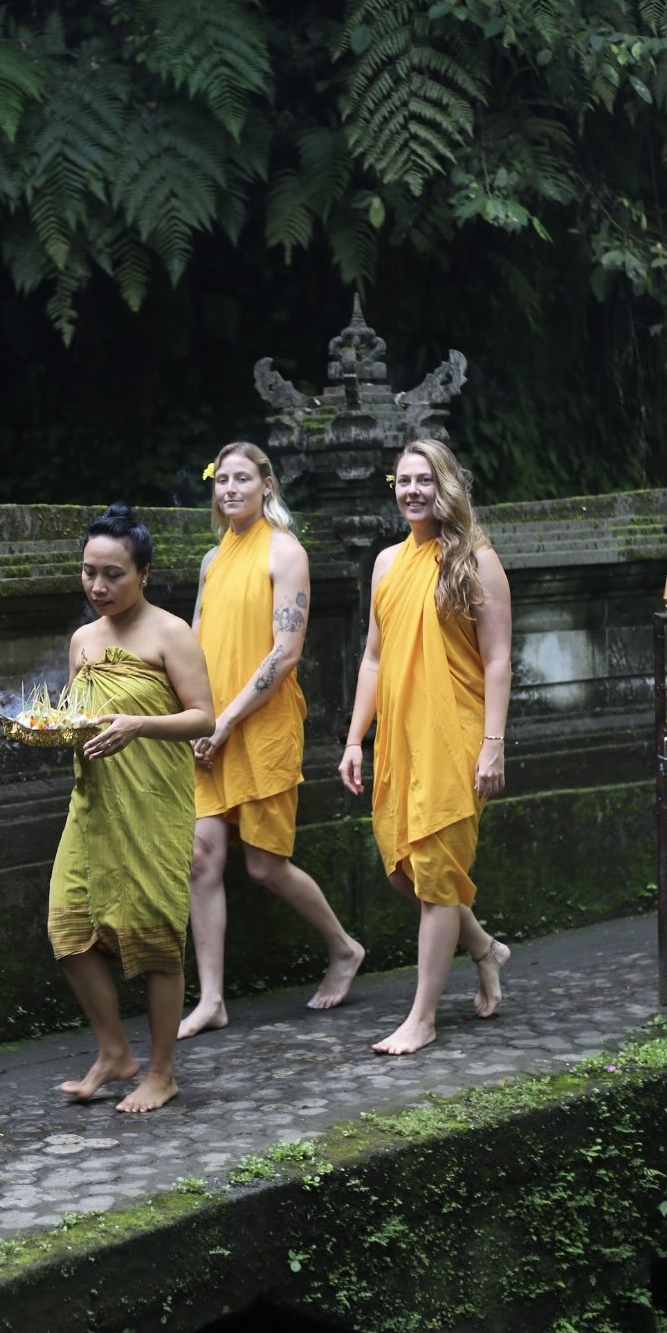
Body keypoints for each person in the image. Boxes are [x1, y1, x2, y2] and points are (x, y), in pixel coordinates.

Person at [177, 442, 364, 1040]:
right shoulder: (213, 560)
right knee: (202, 856)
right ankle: (211, 999)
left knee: (263, 866)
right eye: (222, 479)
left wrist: (226, 720)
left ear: (266, 485)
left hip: (259, 726)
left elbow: (285, 653)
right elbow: (195, 641)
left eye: (242, 479)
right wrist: (192, 716)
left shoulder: (284, 552)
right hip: (211, 723)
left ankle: (343, 948)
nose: (230, 488)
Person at [339, 439, 512, 1055]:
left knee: (437, 875)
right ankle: (486, 949)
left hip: (458, 733)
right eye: (404, 480)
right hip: (403, 734)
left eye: (425, 481)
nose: (412, 491)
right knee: (405, 870)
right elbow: (373, 660)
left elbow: (496, 660)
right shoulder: (388, 563)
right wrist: (356, 737)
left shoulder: (476, 559)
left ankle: (423, 1017)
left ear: (448, 486)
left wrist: (492, 744)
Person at [48, 503, 215, 1112]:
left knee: (154, 937)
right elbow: (75, 717)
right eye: (89, 572)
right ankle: (115, 1052)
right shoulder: (83, 640)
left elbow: (204, 716)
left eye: (113, 574)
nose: (98, 586)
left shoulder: (171, 633)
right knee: (67, 928)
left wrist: (138, 724)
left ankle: (163, 1072)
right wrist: (47, 731)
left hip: (153, 803)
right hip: (92, 803)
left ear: (143, 572)